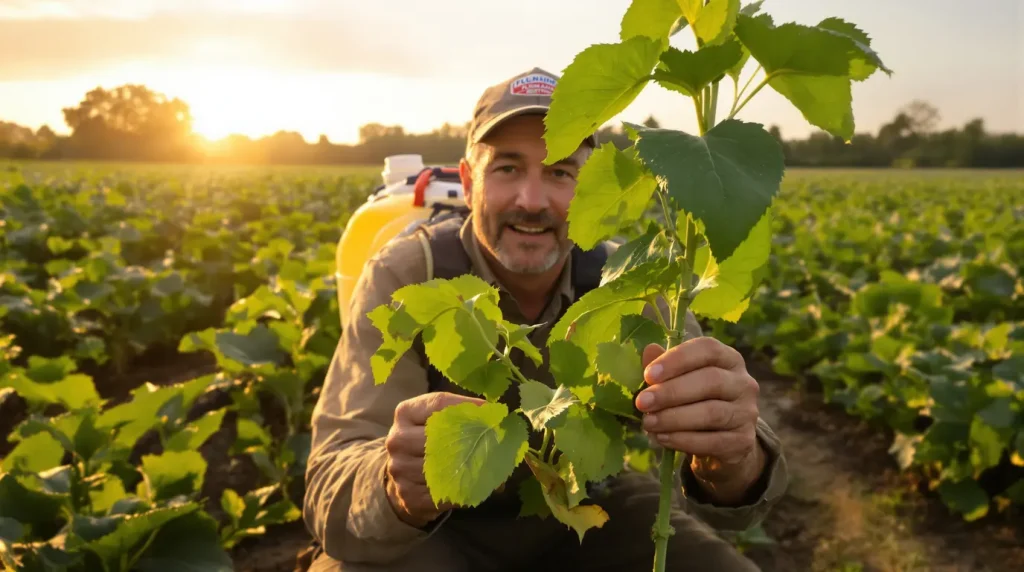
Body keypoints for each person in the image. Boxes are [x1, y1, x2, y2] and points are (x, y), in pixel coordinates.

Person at [303, 67, 789, 572]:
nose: (531, 202)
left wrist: (734, 454)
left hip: (582, 511)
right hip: (441, 531)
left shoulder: (626, 282)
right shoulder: (408, 278)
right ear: (469, 183)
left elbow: (739, 487)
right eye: (507, 169)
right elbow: (329, 481)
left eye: (560, 172)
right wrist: (392, 486)